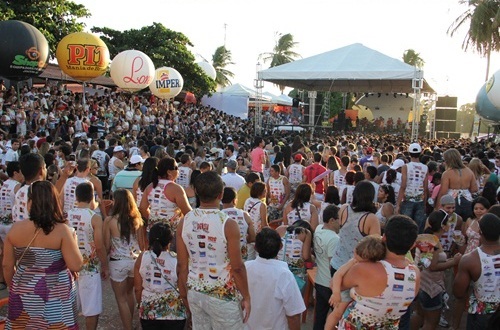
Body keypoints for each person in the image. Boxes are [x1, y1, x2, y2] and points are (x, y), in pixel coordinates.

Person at [3, 180, 83, 328]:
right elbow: (76, 265)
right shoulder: (62, 230)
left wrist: (14, 288)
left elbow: (7, 266)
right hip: (56, 292)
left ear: (30, 202)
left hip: (23, 288)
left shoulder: (15, 229)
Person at [177, 171, 251, 329]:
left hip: (195, 292)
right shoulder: (228, 224)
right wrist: (246, 296)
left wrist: (184, 294)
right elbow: (237, 267)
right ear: (221, 194)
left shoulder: (185, 221)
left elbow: (181, 265)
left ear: (196, 192)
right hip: (222, 296)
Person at [331, 215, 420, 329]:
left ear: (384, 238)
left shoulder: (365, 268)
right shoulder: (415, 274)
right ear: (412, 245)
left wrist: (352, 262)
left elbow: (334, 283)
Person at [245, 227, 306, 330]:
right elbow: (294, 315)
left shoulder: (245, 268)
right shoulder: (284, 275)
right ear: (281, 247)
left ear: (255, 247)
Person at [411, 210, 462, 330]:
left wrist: (451, 261)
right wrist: (453, 262)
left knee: (419, 314)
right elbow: (432, 267)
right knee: (431, 323)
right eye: (448, 222)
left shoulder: (425, 237)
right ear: (443, 226)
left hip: (420, 284)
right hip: (431, 288)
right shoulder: (433, 241)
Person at [67, 182, 108, 330]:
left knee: (71, 308)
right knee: (91, 309)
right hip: (90, 268)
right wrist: (105, 265)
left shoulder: (66, 216)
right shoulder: (95, 218)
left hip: (70, 268)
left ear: (76, 196)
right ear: (92, 197)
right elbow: (99, 246)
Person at [325, 235, 387, 329]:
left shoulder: (372, 265)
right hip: (346, 290)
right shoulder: (354, 261)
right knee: (337, 313)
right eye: (356, 252)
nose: (355, 256)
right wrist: (336, 293)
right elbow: (338, 274)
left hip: (358, 295)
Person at [104, 189, 144, 330]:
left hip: (117, 263)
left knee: (121, 299)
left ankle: (127, 327)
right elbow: (142, 245)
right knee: (129, 294)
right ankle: (132, 322)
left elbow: (107, 246)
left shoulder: (110, 221)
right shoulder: (137, 220)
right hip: (135, 262)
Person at [134, 222, 187, 329]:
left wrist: (141, 305)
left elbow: (137, 289)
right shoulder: (177, 260)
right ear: (170, 241)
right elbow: (183, 291)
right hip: (174, 314)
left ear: (150, 239)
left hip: (149, 311)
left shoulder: (142, 257)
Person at [453, 213, 500, 330]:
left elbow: (458, 292)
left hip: (481, 316)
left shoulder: (470, 259)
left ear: (480, 232)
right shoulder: (470, 259)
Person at [139, 157, 192, 237]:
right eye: (176, 168)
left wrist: (154, 218)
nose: (178, 171)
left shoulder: (150, 186)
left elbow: (142, 208)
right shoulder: (176, 188)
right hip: (171, 232)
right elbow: (188, 212)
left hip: (152, 231)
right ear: (169, 172)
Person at [313, 205, 340, 330]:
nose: (341, 223)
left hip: (319, 281)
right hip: (330, 284)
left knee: (319, 317)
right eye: (339, 219)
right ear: (332, 220)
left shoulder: (319, 229)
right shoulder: (334, 239)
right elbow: (332, 265)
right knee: (338, 318)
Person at [436, 148, 478, 223]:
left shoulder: (447, 173)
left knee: (451, 224)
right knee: (467, 223)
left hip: (451, 201)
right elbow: (474, 189)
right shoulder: (469, 171)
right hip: (467, 200)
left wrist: (437, 206)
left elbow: (443, 192)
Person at [396, 143, 429, 233]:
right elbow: (425, 188)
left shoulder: (405, 167)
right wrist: (425, 203)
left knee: (406, 227)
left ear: (409, 153)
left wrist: (398, 204)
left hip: (407, 200)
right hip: (420, 200)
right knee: (417, 229)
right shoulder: (425, 167)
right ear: (420, 153)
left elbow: (403, 186)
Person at [222, 187, 256, 261]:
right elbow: (253, 237)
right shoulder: (245, 215)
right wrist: (244, 239)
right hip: (242, 257)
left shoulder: (218, 215)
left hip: (223, 258)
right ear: (234, 200)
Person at [12, 153, 47, 223]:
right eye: (45, 167)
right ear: (41, 170)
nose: (46, 170)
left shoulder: (20, 191)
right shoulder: (41, 192)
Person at [244, 181, 268, 260]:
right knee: (258, 258)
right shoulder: (261, 205)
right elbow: (264, 224)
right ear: (260, 192)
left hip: (247, 234)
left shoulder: (247, 200)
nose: (266, 191)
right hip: (257, 236)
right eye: (264, 190)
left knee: (249, 258)